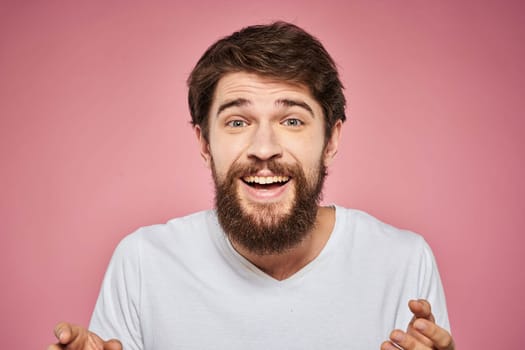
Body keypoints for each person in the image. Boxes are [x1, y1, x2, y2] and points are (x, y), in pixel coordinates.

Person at [48, 22, 455, 350]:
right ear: (205, 143)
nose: (264, 149)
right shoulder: (142, 262)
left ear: (331, 140)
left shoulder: (402, 261)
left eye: (292, 120)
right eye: (237, 122)